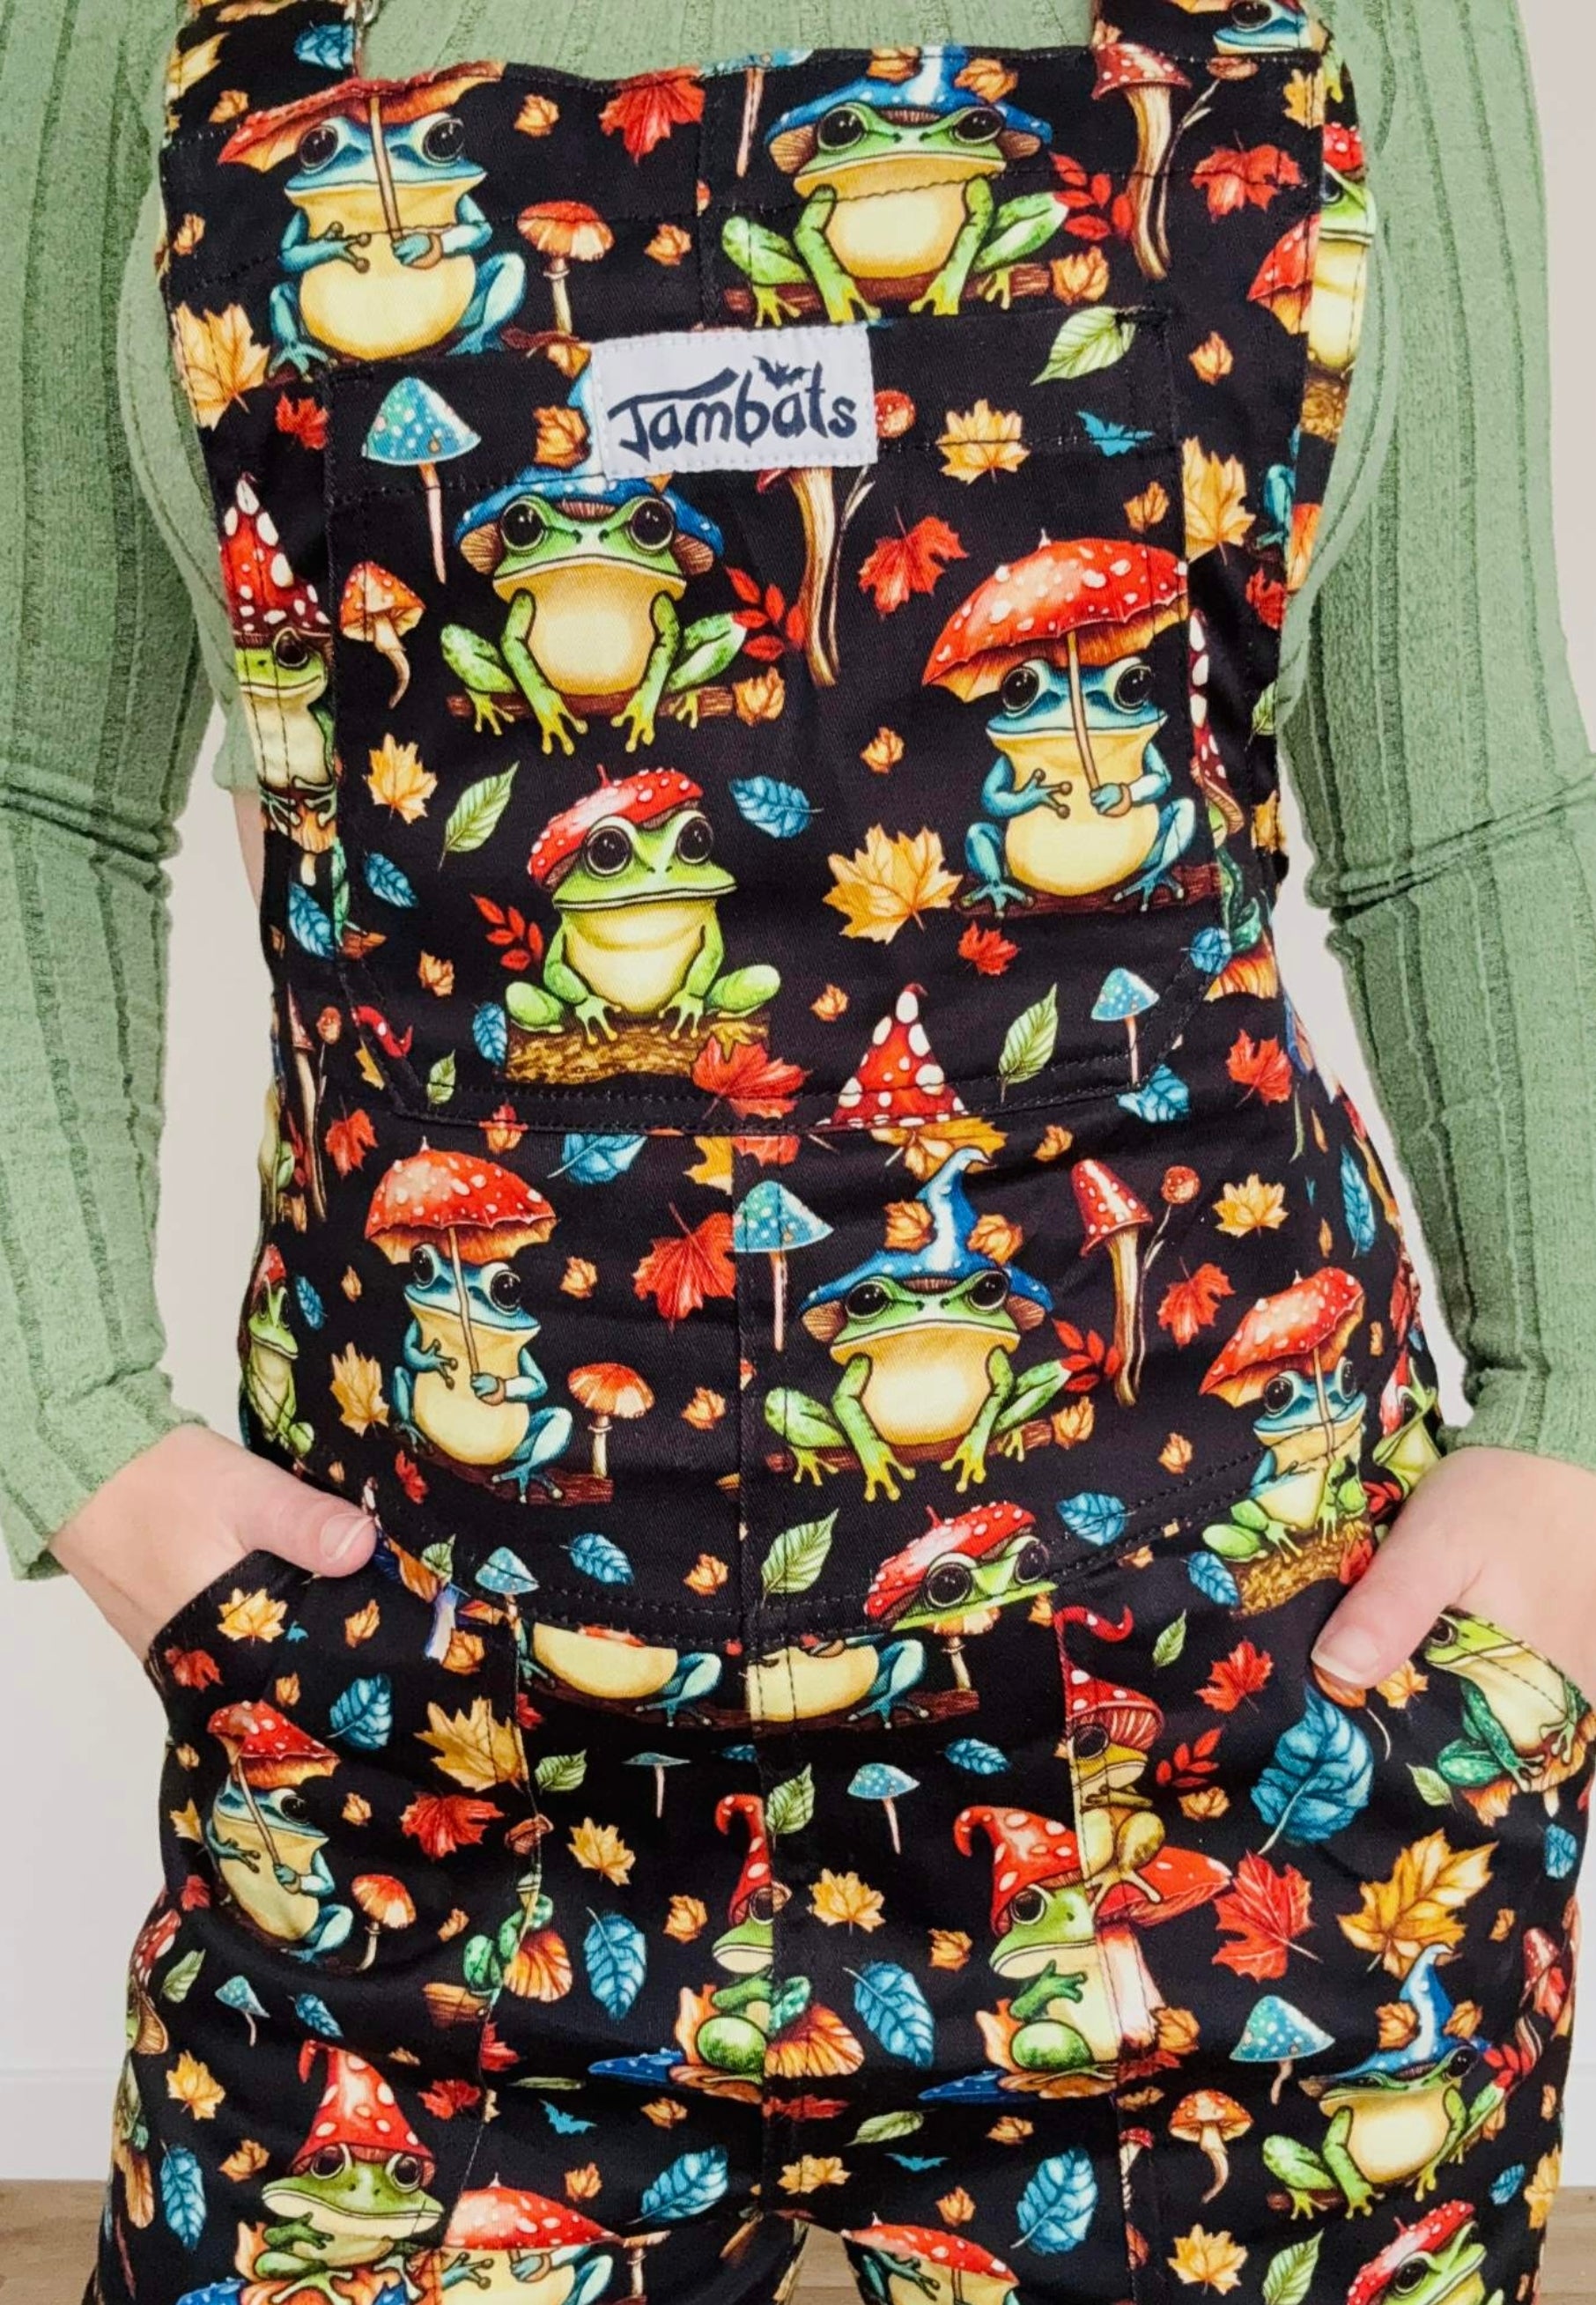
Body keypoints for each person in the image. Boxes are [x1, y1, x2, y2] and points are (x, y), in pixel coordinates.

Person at [5, 1, 1595, 2301]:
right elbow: (31, 787)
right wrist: (75, 1434)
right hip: (412, 1775)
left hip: (1226, 1746)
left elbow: (1470, 807)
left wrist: (1571, 1420)